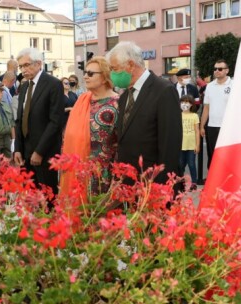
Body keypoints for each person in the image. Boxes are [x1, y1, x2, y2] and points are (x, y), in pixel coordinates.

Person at [106, 41, 182, 183]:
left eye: (114, 69)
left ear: (130, 65)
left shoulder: (163, 91)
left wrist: (162, 186)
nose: (112, 74)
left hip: (152, 183)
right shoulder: (124, 96)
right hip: (128, 182)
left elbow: (170, 144)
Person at [60, 56, 119, 196]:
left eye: (91, 73)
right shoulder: (82, 100)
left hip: (103, 175)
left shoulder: (117, 103)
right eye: (85, 73)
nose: (85, 76)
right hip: (77, 170)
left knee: (99, 214)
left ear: (105, 77)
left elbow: (123, 142)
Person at [14, 48, 65, 198]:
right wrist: (17, 148)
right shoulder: (24, 87)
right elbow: (20, 119)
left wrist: (39, 151)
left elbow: (55, 121)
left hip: (44, 152)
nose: (23, 70)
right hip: (25, 152)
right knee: (30, 197)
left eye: (26, 65)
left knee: (47, 197)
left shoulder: (53, 84)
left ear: (39, 64)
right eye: (21, 66)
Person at [200, 59, 233, 169]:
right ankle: (213, 181)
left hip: (228, 127)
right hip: (212, 126)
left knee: (227, 156)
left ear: (227, 70)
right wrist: (202, 126)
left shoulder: (234, 84)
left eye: (220, 69)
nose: (217, 71)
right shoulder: (209, 86)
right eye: (215, 69)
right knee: (213, 155)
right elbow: (206, 107)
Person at [179, 95, 200, 188]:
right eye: (182, 102)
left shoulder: (194, 116)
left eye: (187, 102)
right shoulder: (178, 115)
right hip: (180, 145)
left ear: (191, 104)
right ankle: (181, 183)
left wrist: (198, 145)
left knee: (191, 164)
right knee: (180, 165)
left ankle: (194, 183)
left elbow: (197, 131)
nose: (184, 104)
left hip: (191, 145)